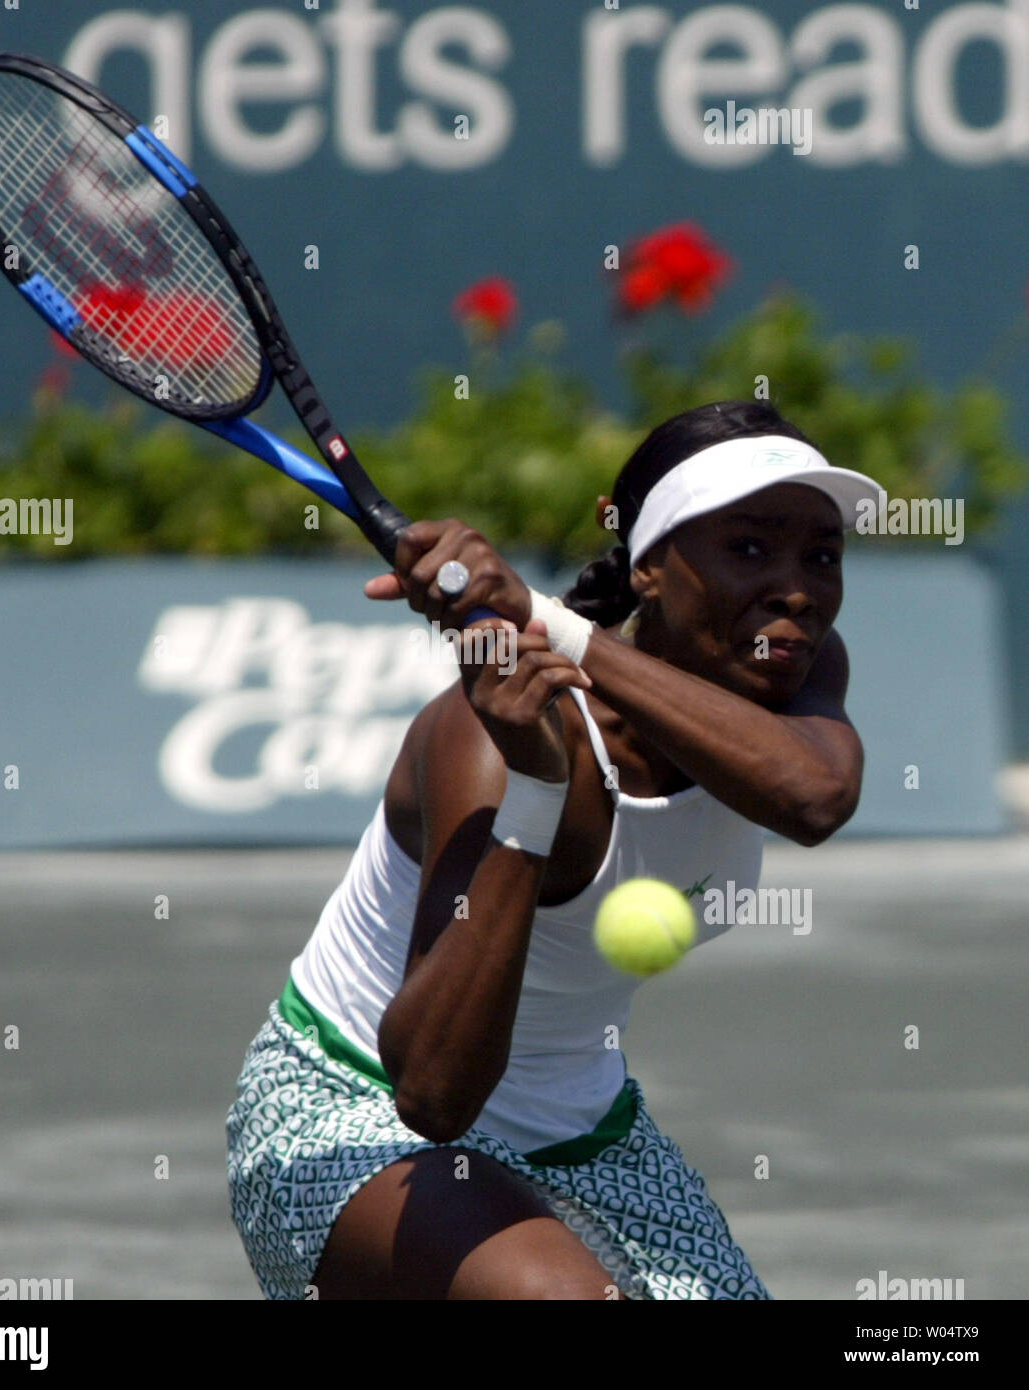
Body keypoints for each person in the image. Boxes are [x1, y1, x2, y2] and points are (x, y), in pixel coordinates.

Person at [226, 399, 884, 1300]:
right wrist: (534, 796)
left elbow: (814, 797)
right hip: (351, 1113)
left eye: (821, 554)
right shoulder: (489, 739)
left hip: (586, 1137)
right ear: (651, 568)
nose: (797, 588)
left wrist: (546, 618)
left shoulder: (796, 671)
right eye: (748, 549)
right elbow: (431, 1095)